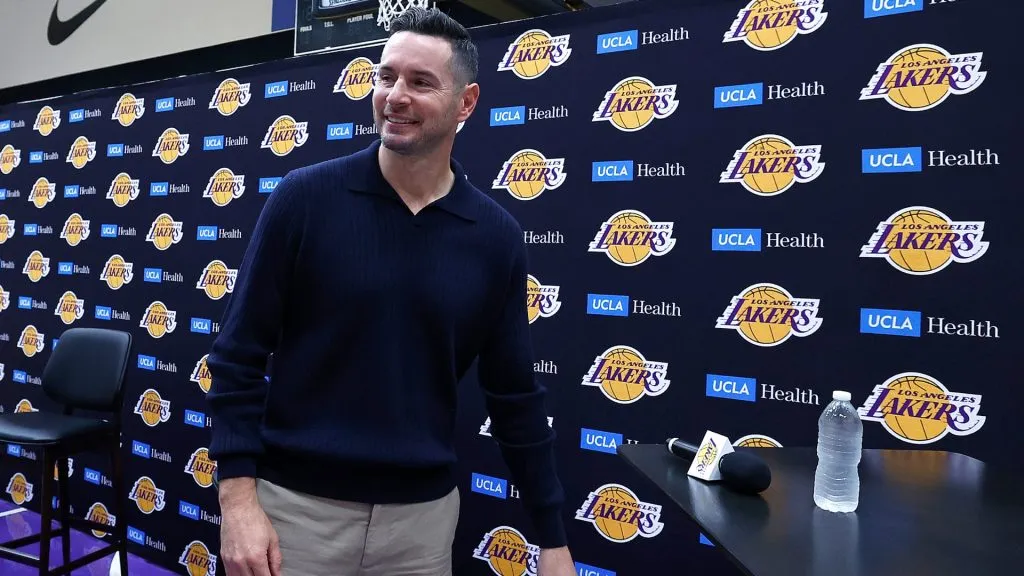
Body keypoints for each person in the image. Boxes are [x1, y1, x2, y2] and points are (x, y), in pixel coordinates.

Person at [205, 7, 576, 576]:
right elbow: (236, 359)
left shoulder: (495, 236)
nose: (395, 95)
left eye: (421, 82)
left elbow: (514, 396)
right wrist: (237, 504)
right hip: (295, 517)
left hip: (421, 530)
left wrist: (552, 541)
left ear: (467, 103)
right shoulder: (304, 200)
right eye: (386, 76)